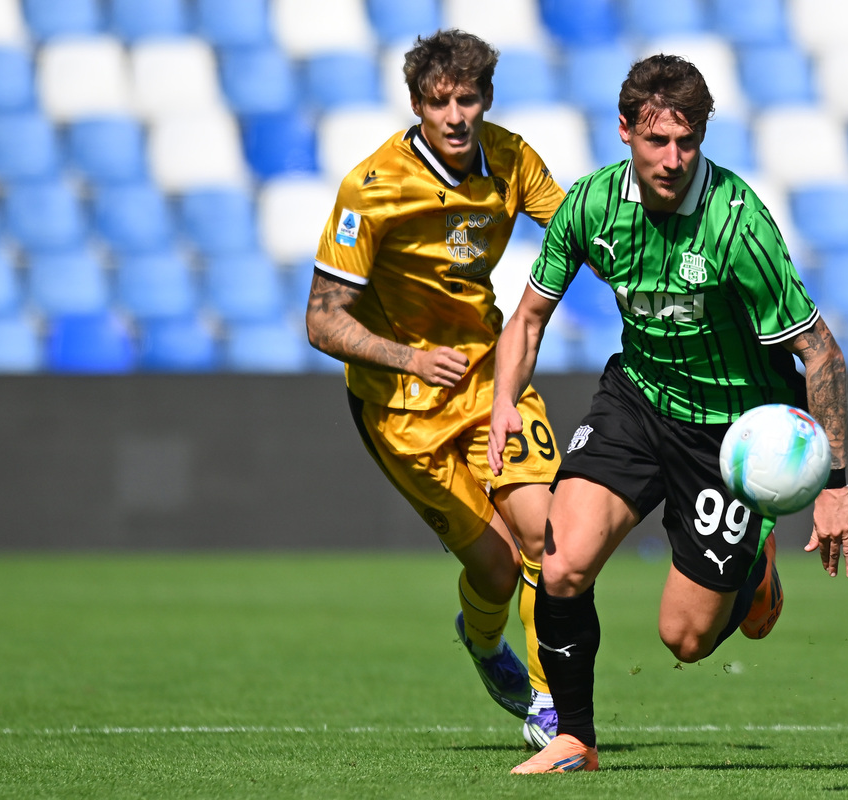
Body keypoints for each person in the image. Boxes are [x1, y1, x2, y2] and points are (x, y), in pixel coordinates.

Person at [488, 54, 848, 774]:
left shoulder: (737, 225)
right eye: (657, 141)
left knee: (685, 639)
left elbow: (821, 354)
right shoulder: (592, 205)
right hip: (639, 399)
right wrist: (504, 401)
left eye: (687, 142)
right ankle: (576, 738)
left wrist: (836, 488)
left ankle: (754, 568)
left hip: (732, 433)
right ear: (625, 130)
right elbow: (530, 317)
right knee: (561, 560)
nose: (673, 158)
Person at [305, 29, 566, 749]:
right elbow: (322, 321)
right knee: (496, 566)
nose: (455, 115)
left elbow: (578, 233)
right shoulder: (374, 187)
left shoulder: (512, 160)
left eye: (468, 99)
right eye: (438, 101)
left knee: (544, 535)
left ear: (487, 100)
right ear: (417, 105)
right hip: (400, 405)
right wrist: (408, 359)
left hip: (489, 378)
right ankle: (485, 646)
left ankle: (551, 708)